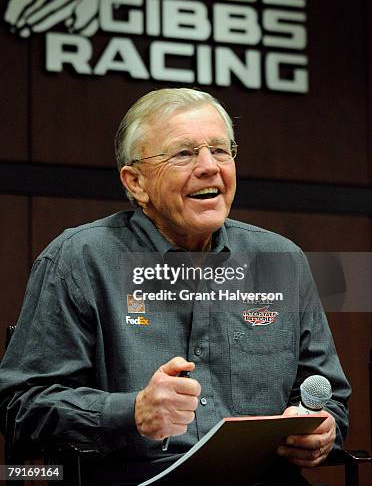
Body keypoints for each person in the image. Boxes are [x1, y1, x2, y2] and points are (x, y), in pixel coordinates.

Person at [0, 88, 351, 485]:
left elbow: (328, 397)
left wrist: (323, 431)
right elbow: (22, 407)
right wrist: (131, 413)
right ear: (136, 183)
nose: (209, 167)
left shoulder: (282, 260)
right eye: (183, 153)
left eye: (220, 150)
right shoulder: (78, 260)